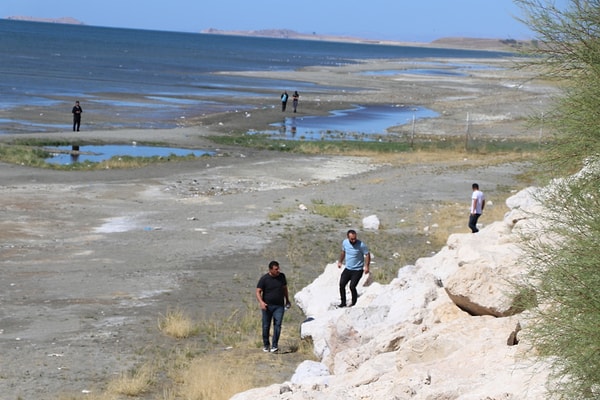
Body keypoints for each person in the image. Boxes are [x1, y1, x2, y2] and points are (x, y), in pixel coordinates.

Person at [256, 260, 291, 353]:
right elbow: (258, 291)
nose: (278, 270)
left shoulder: (282, 277)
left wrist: (287, 300)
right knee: (266, 326)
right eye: (276, 269)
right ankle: (266, 345)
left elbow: (285, 289)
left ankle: (274, 346)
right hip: (267, 307)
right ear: (270, 269)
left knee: (278, 325)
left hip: (279, 306)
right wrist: (261, 302)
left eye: (278, 268)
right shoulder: (264, 279)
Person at [337, 229, 370, 307]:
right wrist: (340, 261)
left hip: (357, 270)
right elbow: (343, 252)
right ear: (348, 238)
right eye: (352, 239)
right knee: (342, 284)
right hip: (348, 268)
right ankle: (343, 302)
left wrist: (367, 266)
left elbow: (367, 254)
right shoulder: (345, 243)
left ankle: (354, 302)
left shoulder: (361, 245)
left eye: (355, 238)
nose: (354, 240)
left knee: (352, 286)